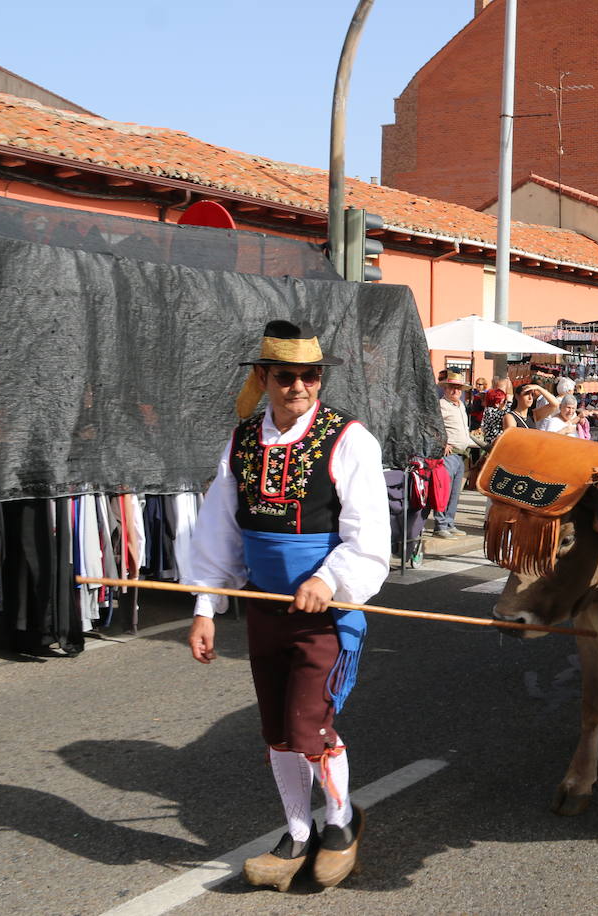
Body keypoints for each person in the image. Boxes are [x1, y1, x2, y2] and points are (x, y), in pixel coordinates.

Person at [186, 319, 388, 891]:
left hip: (327, 613)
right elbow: (218, 533)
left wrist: (329, 580)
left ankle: (342, 822)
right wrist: (205, 606)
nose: (298, 386)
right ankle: (299, 830)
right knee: (276, 726)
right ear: (264, 377)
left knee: (309, 724)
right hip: (265, 610)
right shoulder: (241, 441)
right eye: (286, 376)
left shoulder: (349, 438)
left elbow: (369, 536)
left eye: (310, 376)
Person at [434, 370, 476, 539]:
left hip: (460, 454)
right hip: (448, 455)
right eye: (452, 387)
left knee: (454, 492)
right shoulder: (441, 405)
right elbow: (432, 425)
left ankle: (449, 523)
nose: (455, 391)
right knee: (444, 491)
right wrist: (442, 442)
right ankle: (441, 525)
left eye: (458, 388)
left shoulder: (461, 405)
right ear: (445, 388)